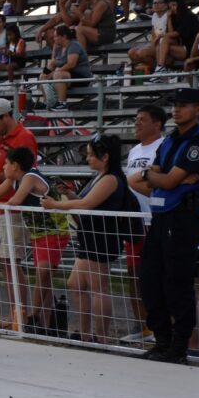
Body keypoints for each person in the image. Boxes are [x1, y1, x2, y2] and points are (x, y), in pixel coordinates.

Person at [131, 88, 199, 363]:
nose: (177, 110)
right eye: (175, 105)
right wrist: (155, 174)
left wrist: (159, 176)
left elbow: (165, 182)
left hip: (182, 218)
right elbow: (147, 177)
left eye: (184, 105)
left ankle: (178, 346)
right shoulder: (168, 142)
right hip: (161, 216)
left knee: (176, 282)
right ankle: (162, 340)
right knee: (150, 278)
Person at [42, 134, 130, 343]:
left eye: (91, 155)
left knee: (98, 287)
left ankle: (101, 336)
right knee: (76, 284)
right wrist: (70, 196)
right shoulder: (100, 176)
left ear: (106, 156)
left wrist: (55, 205)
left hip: (102, 237)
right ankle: (86, 332)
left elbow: (87, 205)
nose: (88, 159)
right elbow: (85, 202)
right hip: (90, 236)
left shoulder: (110, 179)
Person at [0, 147, 71, 335]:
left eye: (6, 164)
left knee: (42, 272)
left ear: (15, 166)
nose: (3, 168)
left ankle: (33, 317)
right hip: (38, 234)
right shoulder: (15, 179)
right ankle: (46, 323)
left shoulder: (30, 178)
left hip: (54, 231)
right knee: (44, 277)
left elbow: (15, 201)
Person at [0, 97, 38, 330]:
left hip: (12, 208)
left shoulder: (24, 138)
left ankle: (20, 316)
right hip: (1, 207)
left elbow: (15, 176)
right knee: (7, 265)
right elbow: (4, 174)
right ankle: (16, 314)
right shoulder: (4, 138)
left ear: (5, 117)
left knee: (12, 264)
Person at [122, 104, 166, 343]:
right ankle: (144, 326)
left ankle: (160, 327)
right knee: (133, 274)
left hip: (153, 218)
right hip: (134, 219)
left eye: (142, 119)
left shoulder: (164, 146)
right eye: (136, 118)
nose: (136, 123)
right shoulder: (135, 150)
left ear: (156, 124)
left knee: (154, 275)